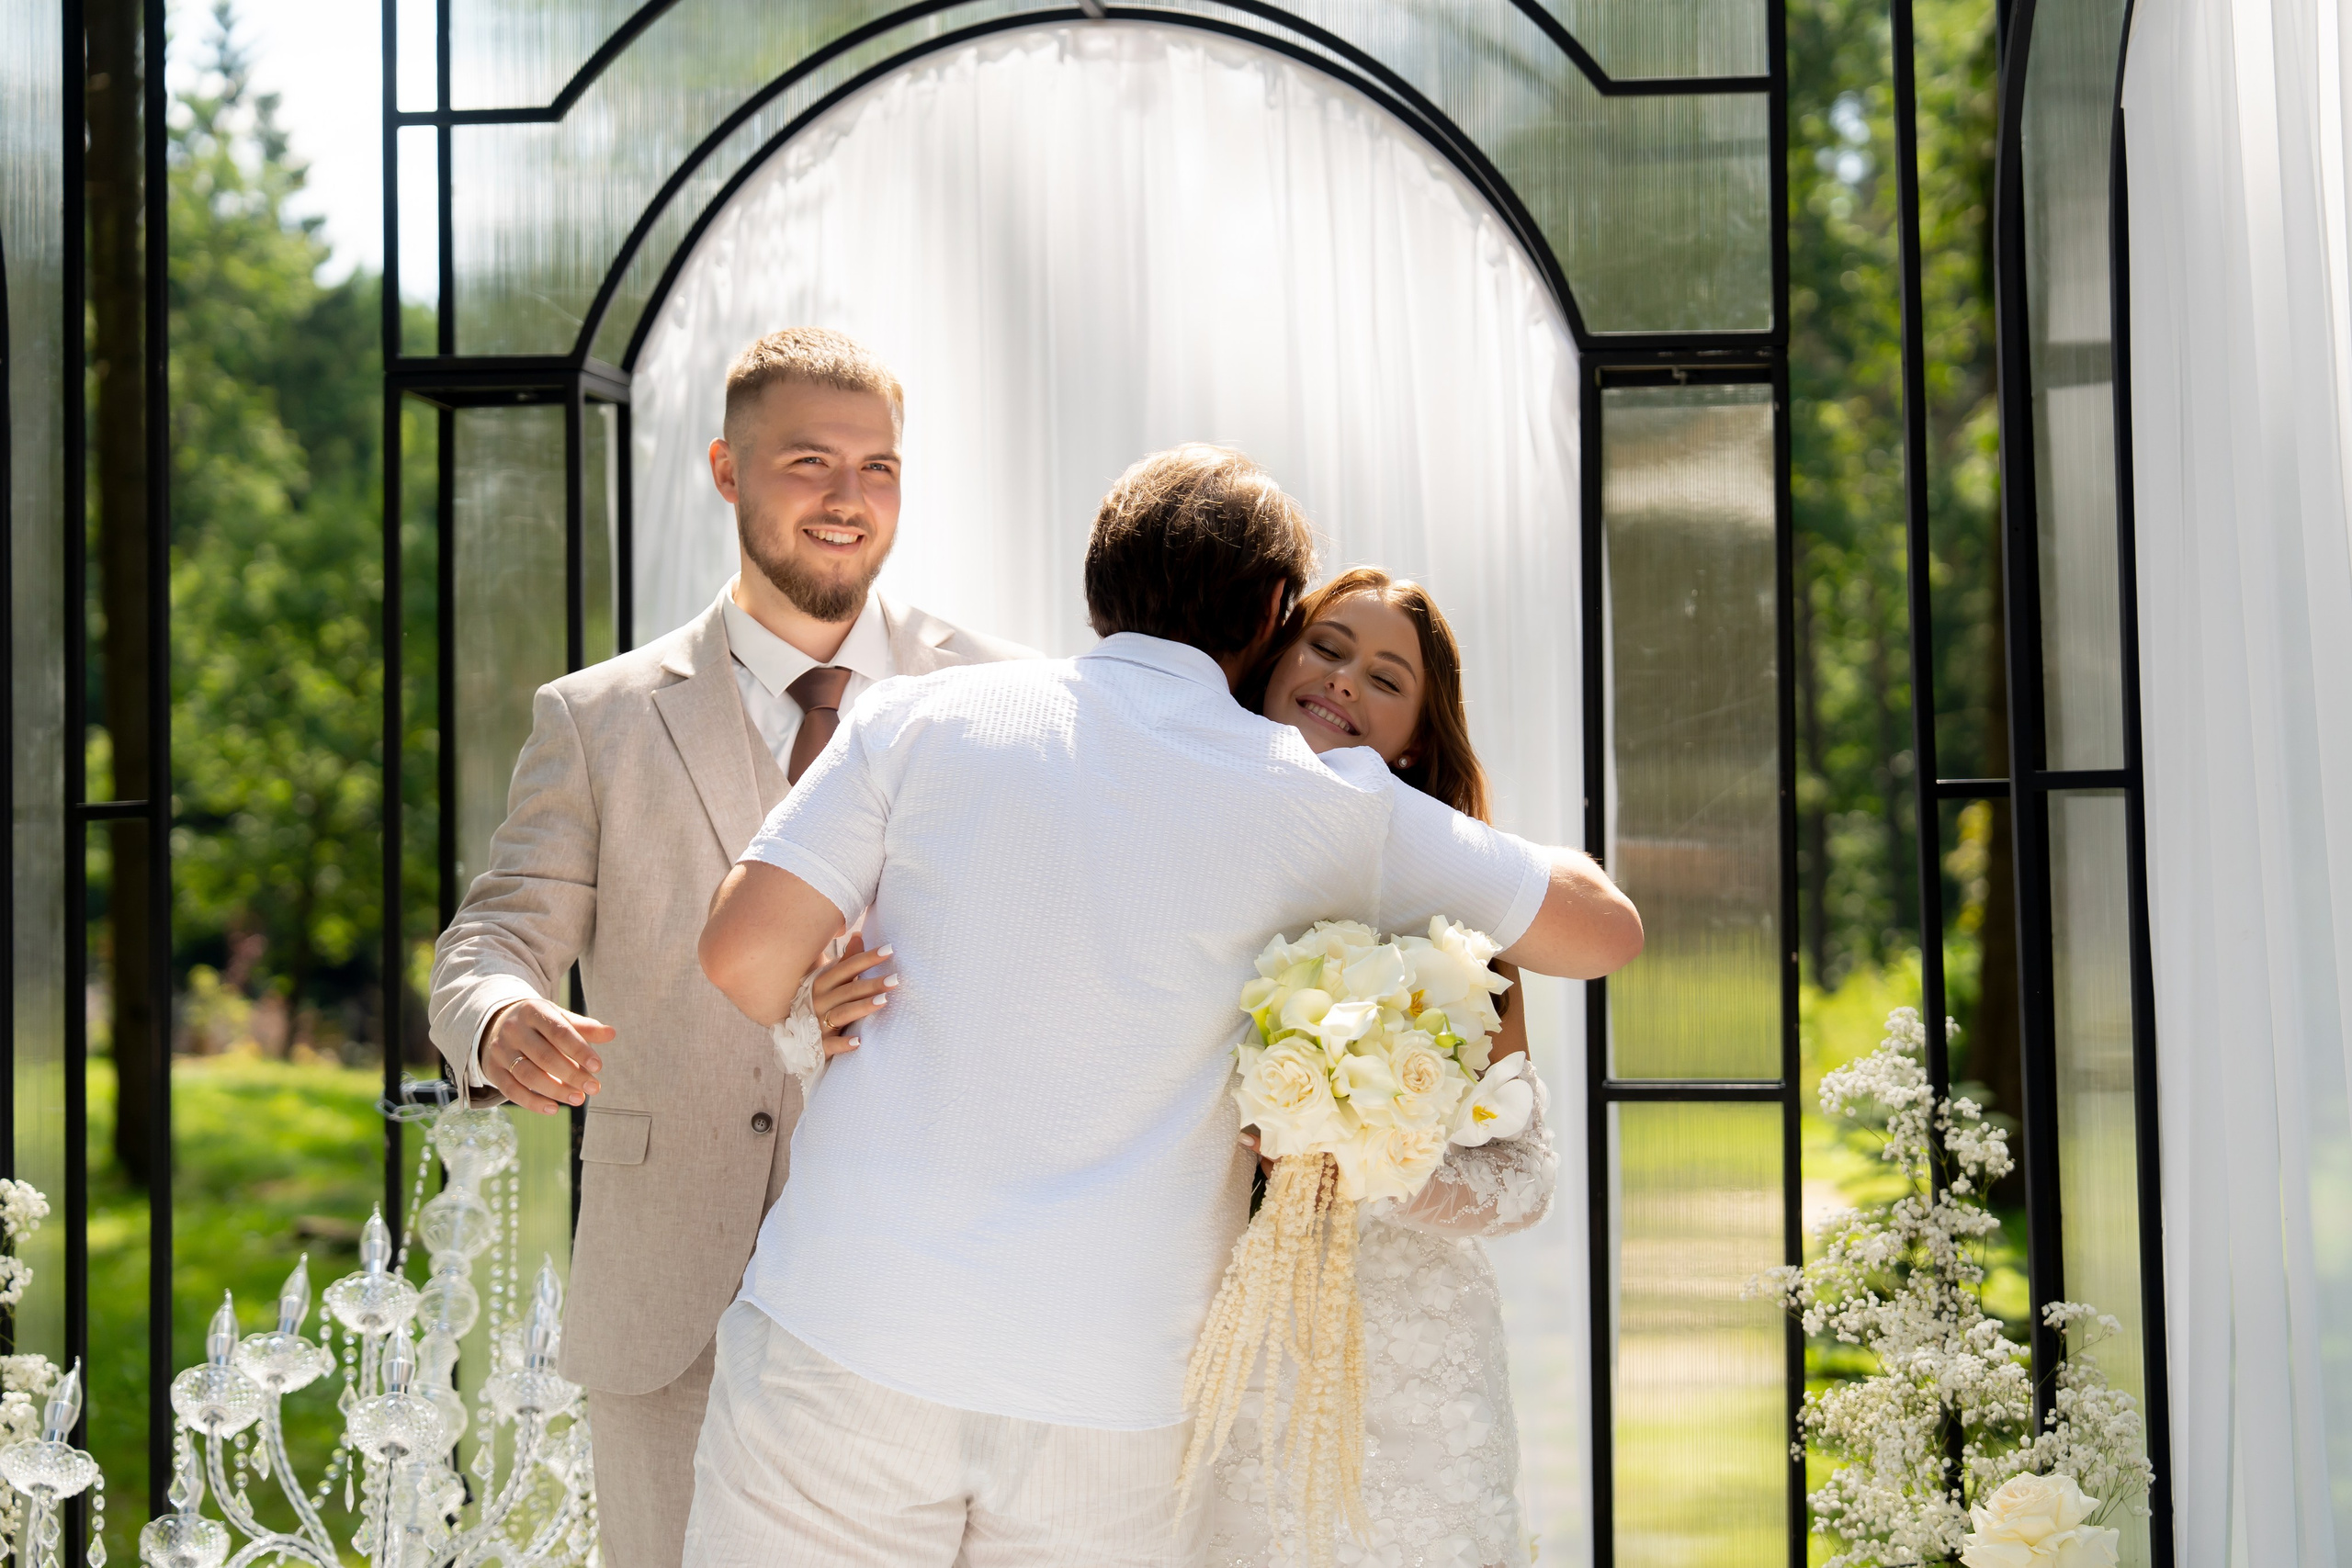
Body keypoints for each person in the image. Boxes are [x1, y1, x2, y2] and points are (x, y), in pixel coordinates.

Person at [688, 445, 1641, 1567]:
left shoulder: (922, 715)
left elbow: (741, 959)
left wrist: (818, 996)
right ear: (1276, 610)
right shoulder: (1332, 803)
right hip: (1113, 1388)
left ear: (1100, 583)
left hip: (847, 1328)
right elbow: (1603, 929)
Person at [425, 327, 1031, 1568]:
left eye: (880, 467)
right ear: (725, 469)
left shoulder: (1001, 697)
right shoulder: (597, 718)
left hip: (932, 1294)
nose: (849, 498)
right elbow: (495, 927)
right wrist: (496, 1013)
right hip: (673, 1304)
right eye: (810, 460)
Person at [1208, 567, 1557, 1568]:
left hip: (1411, 1371)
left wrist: (1355, 1155)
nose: (1346, 680)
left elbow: (1522, 1179)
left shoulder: (1457, 917)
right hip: (1207, 1345)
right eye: (1327, 647)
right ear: (1275, 660)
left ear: (1415, 736)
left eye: (1387, 676)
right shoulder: (1182, 847)